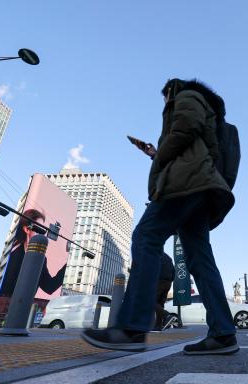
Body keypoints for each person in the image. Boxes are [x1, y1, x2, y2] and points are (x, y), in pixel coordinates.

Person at [82, 79, 238, 355]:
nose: (165, 104)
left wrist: (162, 155)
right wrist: (156, 154)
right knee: (200, 260)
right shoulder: (209, 112)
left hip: (186, 183)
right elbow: (197, 145)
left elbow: (186, 127)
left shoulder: (186, 95)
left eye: (165, 99)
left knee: (147, 236)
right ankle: (224, 333)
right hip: (201, 186)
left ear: (170, 91)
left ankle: (131, 328)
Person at [0, 209, 66, 297]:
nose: (42, 234)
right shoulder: (14, 254)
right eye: (38, 229)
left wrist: (67, 266)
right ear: (27, 229)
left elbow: (49, 287)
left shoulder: (41, 258)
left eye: (43, 231)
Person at [152, 252, 175, 332]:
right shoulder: (168, 257)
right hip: (168, 283)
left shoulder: (154, 253)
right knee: (160, 304)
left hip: (158, 280)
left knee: (150, 301)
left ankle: (167, 315)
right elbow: (174, 271)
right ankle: (158, 326)